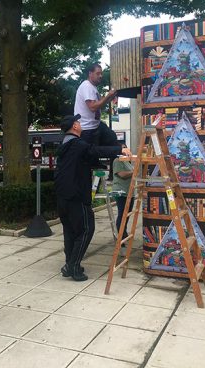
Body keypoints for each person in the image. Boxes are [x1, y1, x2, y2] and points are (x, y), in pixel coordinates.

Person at [55, 114, 131, 281]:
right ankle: (73, 266)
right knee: (86, 229)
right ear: (75, 126)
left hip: (62, 196)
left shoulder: (64, 145)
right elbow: (94, 150)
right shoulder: (77, 144)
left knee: (70, 231)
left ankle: (70, 263)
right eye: (79, 122)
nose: (81, 125)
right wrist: (119, 149)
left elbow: (86, 159)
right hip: (76, 196)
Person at [74, 63, 119, 150]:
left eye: (101, 73)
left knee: (111, 137)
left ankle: (119, 155)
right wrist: (107, 96)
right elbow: (93, 107)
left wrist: (110, 98)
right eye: (98, 73)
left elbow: (99, 105)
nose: (100, 76)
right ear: (90, 74)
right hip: (87, 129)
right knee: (91, 155)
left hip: (95, 125)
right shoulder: (87, 86)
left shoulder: (93, 87)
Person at [112, 144, 134, 239]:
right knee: (122, 214)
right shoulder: (118, 160)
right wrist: (134, 171)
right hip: (121, 192)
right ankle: (119, 235)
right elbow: (122, 174)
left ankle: (123, 232)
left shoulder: (127, 161)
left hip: (129, 191)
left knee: (127, 214)